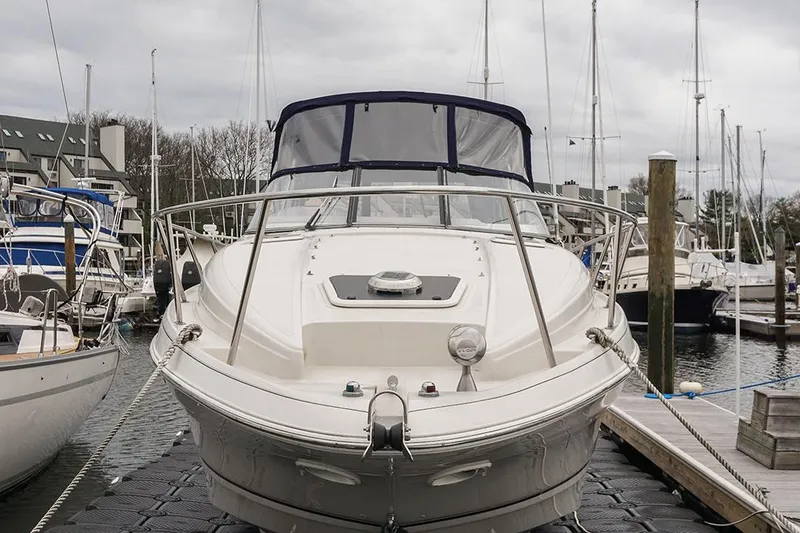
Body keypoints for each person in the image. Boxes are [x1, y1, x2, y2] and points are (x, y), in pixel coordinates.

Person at [152, 245, 173, 321]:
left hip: (158, 284)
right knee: (163, 298)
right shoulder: (166, 265)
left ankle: (161, 313)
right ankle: (163, 313)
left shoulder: (159, 265)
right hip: (164, 284)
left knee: (161, 298)